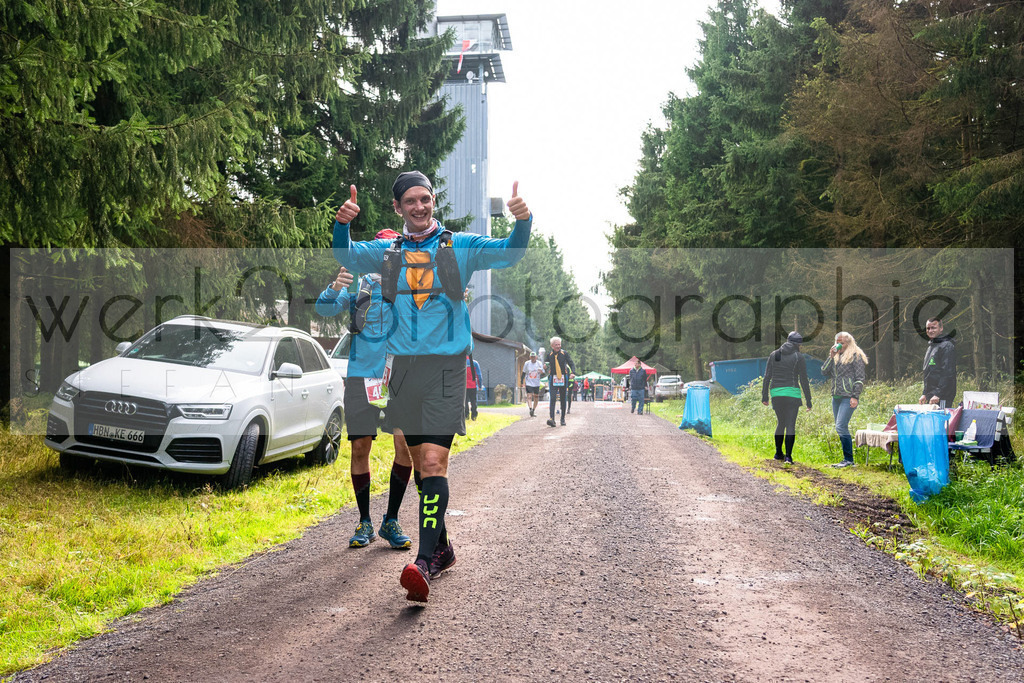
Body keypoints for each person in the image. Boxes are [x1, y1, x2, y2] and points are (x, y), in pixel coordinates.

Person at [332, 171, 531, 602]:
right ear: (398, 208)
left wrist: (522, 222)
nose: (419, 207)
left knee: (435, 462)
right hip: (403, 371)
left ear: (433, 201)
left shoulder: (461, 246)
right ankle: (443, 549)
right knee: (422, 468)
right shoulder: (387, 252)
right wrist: (342, 223)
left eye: (425, 199)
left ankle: (422, 563)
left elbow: (511, 252)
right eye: (410, 201)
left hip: (446, 369)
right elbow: (345, 254)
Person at [314, 246, 414, 550]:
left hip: (399, 375)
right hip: (361, 376)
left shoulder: (409, 288)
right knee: (360, 448)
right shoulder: (360, 290)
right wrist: (335, 287)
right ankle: (365, 522)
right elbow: (323, 309)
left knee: (405, 447)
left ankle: (391, 520)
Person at [761, 331, 813, 464]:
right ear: (798, 344)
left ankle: (778, 453)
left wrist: (764, 396)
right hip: (792, 393)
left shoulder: (774, 354)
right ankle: (788, 457)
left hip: (776, 393)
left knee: (781, 423)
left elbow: (767, 377)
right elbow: (803, 379)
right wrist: (808, 400)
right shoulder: (798, 357)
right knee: (790, 424)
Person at [821, 331, 868, 468]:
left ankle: (849, 460)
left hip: (848, 396)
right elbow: (824, 371)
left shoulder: (856, 356)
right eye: (837, 342)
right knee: (840, 427)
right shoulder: (836, 356)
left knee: (840, 426)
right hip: (836, 397)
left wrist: (855, 396)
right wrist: (831, 356)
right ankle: (847, 459)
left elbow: (860, 379)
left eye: (842, 343)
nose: (839, 345)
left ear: (849, 343)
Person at [920, 318, 957, 408]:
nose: (930, 331)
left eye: (933, 328)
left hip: (943, 395)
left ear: (941, 328)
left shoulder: (946, 346)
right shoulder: (931, 347)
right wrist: (925, 393)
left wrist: (938, 394)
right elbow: (928, 373)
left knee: (941, 416)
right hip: (932, 395)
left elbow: (948, 372)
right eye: (928, 328)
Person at [544, 336, 576, 427]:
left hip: (563, 378)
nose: (558, 346)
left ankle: (562, 419)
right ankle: (552, 419)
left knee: (563, 398)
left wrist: (572, 373)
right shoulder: (549, 355)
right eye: (556, 345)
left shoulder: (564, 353)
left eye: (559, 344)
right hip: (553, 378)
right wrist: (544, 367)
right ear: (552, 346)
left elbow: (571, 364)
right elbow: (545, 364)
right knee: (553, 398)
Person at [521, 350, 544, 417]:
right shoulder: (527, 363)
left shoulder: (539, 363)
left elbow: (543, 373)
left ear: (536, 357)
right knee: (529, 396)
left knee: (536, 396)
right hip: (529, 382)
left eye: (534, 357)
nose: (533, 358)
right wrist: (522, 381)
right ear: (530, 357)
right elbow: (523, 372)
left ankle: (533, 410)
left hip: (536, 382)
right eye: (532, 357)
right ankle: (530, 409)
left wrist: (541, 371)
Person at [465, 354, 483, 421]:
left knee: (465, 401)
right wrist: (480, 385)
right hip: (473, 385)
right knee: (473, 401)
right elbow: (479, 375)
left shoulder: (461, 363)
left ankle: (466, 416)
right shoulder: (475, 363)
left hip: (464, 386)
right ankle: (474, 416)